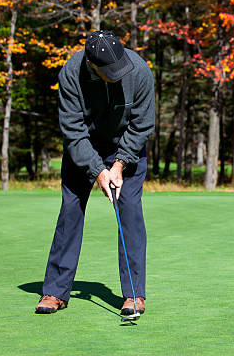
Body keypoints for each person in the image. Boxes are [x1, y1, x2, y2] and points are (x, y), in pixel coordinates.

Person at [35, 31, 155, 317]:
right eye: (110, 71)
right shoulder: (71, 74)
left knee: (130, 212)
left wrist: (119, 164)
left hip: (127, 146)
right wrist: (98, 170)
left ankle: (134, 294)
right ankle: (55, 290)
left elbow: (142, 124)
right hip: (83, 146)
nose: (117, 74)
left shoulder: (138, 70)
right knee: (71, 211)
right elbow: (73, 131)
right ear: (92, 64)